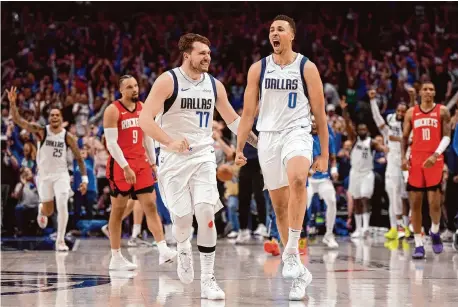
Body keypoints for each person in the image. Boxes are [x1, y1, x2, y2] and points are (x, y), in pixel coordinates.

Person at [139, 33, 257, 300]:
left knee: (205, 213)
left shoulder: (215, 86)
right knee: (182, 221)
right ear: (187, 55)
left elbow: (234, 121)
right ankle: (182, 246)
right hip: (172, 159)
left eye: (209, 53)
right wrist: (169, 142)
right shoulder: (168, 81)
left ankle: (208, 280)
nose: (207, 57)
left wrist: (258, 142)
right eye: (202, 53)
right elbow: (145, 120)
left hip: (203, 155)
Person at [235, 15, 328, 301]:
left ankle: (291, 249)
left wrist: (324, 153)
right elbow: (248, 113)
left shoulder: (306, 67)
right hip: (268, 138)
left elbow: (320, 113)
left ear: (291, 36)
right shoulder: (258, 68)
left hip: (297, 132)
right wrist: (239, 148)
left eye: (280, 29)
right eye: (271, 30)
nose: (274, 33)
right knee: (279, 203)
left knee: (299, 179)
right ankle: (298, 270)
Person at [103, 75, 176, 270]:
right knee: (118, 210)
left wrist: (153, 163)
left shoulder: (143, 108)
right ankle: (116, 256)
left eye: (135, 86)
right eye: (129, 87)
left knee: (150, 205)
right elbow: (111, 143)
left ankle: (163, 249)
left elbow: (147, 137)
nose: (134, 89)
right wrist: (125, 166)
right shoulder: (112, 110)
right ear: (121, 90)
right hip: (120, 165)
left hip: (141, 163)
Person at [6, 86, 88, 252]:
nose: (54, 117)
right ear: (49, 118)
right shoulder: (41, 131)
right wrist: (13, 104)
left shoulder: (68, 136)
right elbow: (19, 121)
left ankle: (60, 240)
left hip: (61, 174)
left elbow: (79, 158)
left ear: (62, 118)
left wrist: (84, 179)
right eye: (52, 115)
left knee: (63, 203)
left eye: (57, 115)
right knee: (48, 210)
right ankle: (41, 211)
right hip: (44, 176)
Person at [401, 81, 451, 259]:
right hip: (416, 160)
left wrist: (436, 155)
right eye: (425, 89)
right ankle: (419, 244)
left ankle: (435, 231)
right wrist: (402, 158)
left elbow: (446, 136)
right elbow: (405, 137)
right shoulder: (411, 112)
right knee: (415, 203)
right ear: (421, 92)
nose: (428, 92)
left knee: (434, 203)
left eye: (431, 89)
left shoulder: (443, 111)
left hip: (434, 158)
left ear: (435, 93)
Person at [340, 98, 386, 239]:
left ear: (367, 130)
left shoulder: (371, 142)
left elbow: (384, 148)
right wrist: (344, 110)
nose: (362, 131)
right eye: (360, 129)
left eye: (364, 129)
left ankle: (366, 227)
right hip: (355, 173)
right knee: (357, 200)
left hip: (367, 174)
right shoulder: (354, 140)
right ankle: (358, 228)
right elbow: (347, 125)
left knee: (366, 198)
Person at [369, 89, 411, 240]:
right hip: (392, 165)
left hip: (406, 163)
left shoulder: (409, 127)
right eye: (399, 110)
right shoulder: (389, 127)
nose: (400, 112)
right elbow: (377, 118)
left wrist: (400, 140)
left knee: (405, 196)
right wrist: (373, 101)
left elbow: (407, 141)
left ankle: (407, 226)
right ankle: (395, 227)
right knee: (393, 196)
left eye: (403, 111)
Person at [307, 117, 339, 248]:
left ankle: (329, 235)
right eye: (311, 122)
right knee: (302, 205)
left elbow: (333, 158)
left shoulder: (327, 138)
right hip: (308, 178)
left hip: (323, 178)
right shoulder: (303, 140)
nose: (314, 124)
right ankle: (299, 235)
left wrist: (334, 169)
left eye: (316, 122)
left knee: (332, 201)